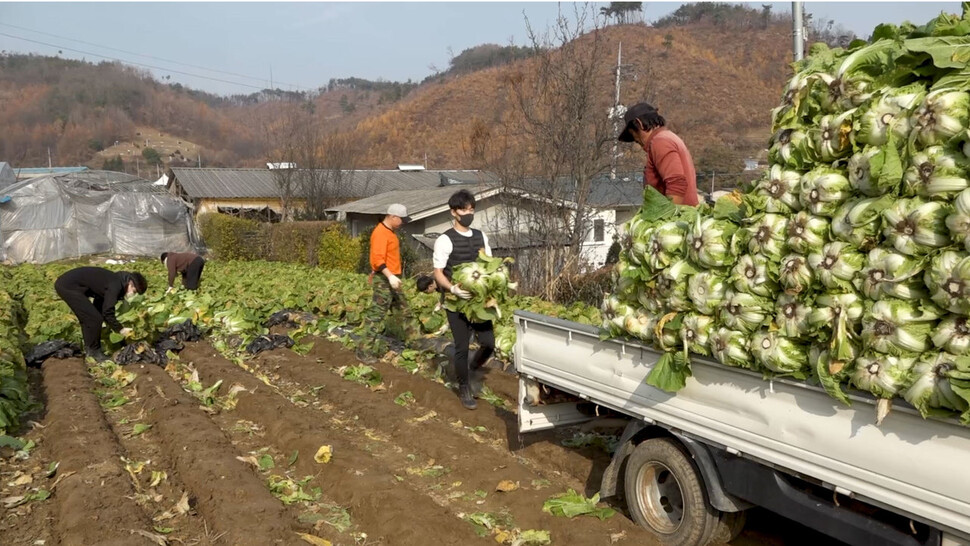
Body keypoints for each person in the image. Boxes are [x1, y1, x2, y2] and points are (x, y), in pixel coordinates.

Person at [433, 189, 495, 410]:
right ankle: (464, 387)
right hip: (456, 301)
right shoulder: (445, 239)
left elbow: (489, 263)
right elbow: (438, 272)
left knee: (488, 343)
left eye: (471, 209)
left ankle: (475, 365)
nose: (468, 213)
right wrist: (453, 289)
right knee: (461, 346)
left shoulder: (481, 236)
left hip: (478, 300)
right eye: (463, 209)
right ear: (454, 212)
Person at [54, 267, 148, 363]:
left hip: (68, 284)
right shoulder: (115, 285)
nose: (132, 294)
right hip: (68, 286)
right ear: (130, 284)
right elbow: (108, 311)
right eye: (134, 291)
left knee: (91, 318)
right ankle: (94, 352)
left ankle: (90, 351)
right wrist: (120, 329)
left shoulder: (114, 280)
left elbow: (101, 308)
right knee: (94, 319)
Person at [357, 203, 414, 362]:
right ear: (393, 217)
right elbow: (377, 259)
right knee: (376, 314)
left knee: (405, 310)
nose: (402, 223)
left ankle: (416, 342)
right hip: (384, 279)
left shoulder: (391, 232)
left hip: (393, 278)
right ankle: (364, 350)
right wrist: (390, 276)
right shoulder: (380, 233)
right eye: (401, 219)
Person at [618, 102, 699, 206]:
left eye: (632, 134)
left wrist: (669, 220)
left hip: (677, 219)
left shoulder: (660, 142)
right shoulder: (669, 137)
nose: (635, 140)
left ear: (639, 124)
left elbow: (676, 183)